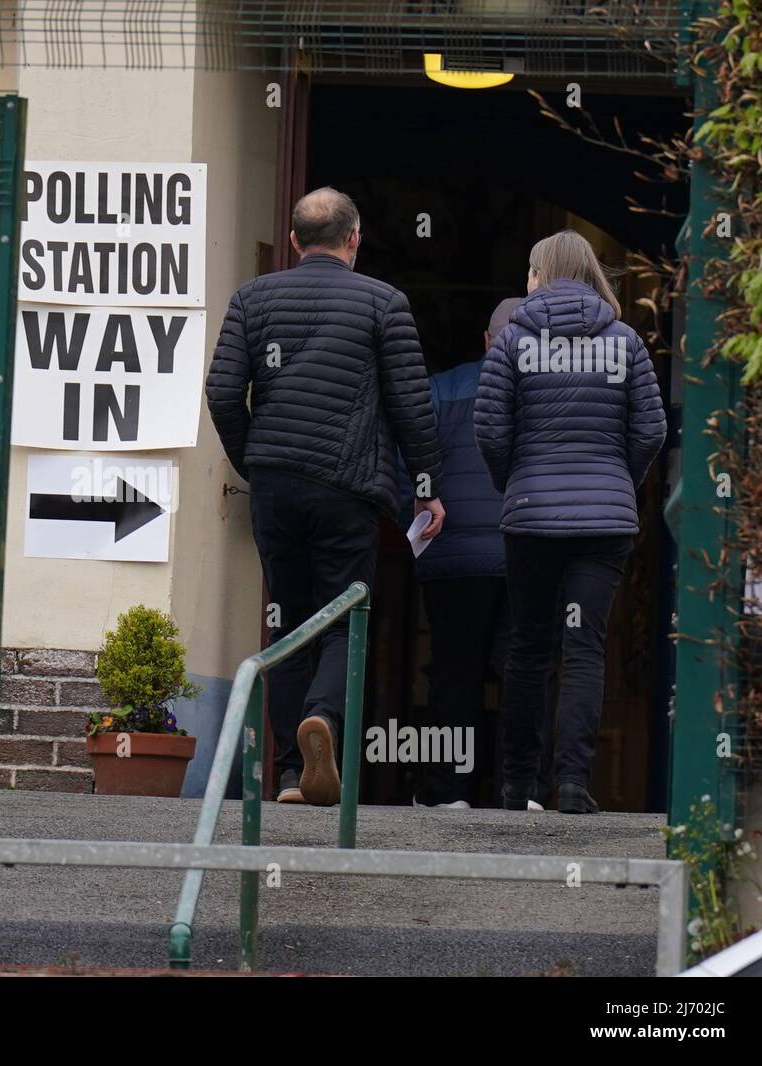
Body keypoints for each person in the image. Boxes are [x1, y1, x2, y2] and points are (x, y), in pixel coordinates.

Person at [205, 187, 445, 807]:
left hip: (277, 486)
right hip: (348, 487)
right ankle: (324, 723)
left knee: (286, 619)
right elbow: (411, 405)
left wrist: (255, 460)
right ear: (354, 238)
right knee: (342, 618)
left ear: (293, 241)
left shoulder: (251, 298)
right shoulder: (383, 303)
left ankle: (288, 774)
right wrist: (426, 487)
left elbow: (224, 391)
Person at [475, 230, 667, 814]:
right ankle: (574, 785)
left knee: (529, 648)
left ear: (539, 275)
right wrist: (618, 483)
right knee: (584, 649)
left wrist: (515, 481)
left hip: (532, 520)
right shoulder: (626, 341)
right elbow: (652, 430)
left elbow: (489, 428)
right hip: (604, 524)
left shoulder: (511, 340)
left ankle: (516, 785)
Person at [410, 298, 527, 810]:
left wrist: (412, 525)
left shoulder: (441, 389)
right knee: (521, 667)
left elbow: (409, 461)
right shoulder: (546, 394)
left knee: (453, 673)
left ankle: (446, 791)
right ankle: (518, 790)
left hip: (452, 554)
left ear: (486, 340)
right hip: (525, 553)